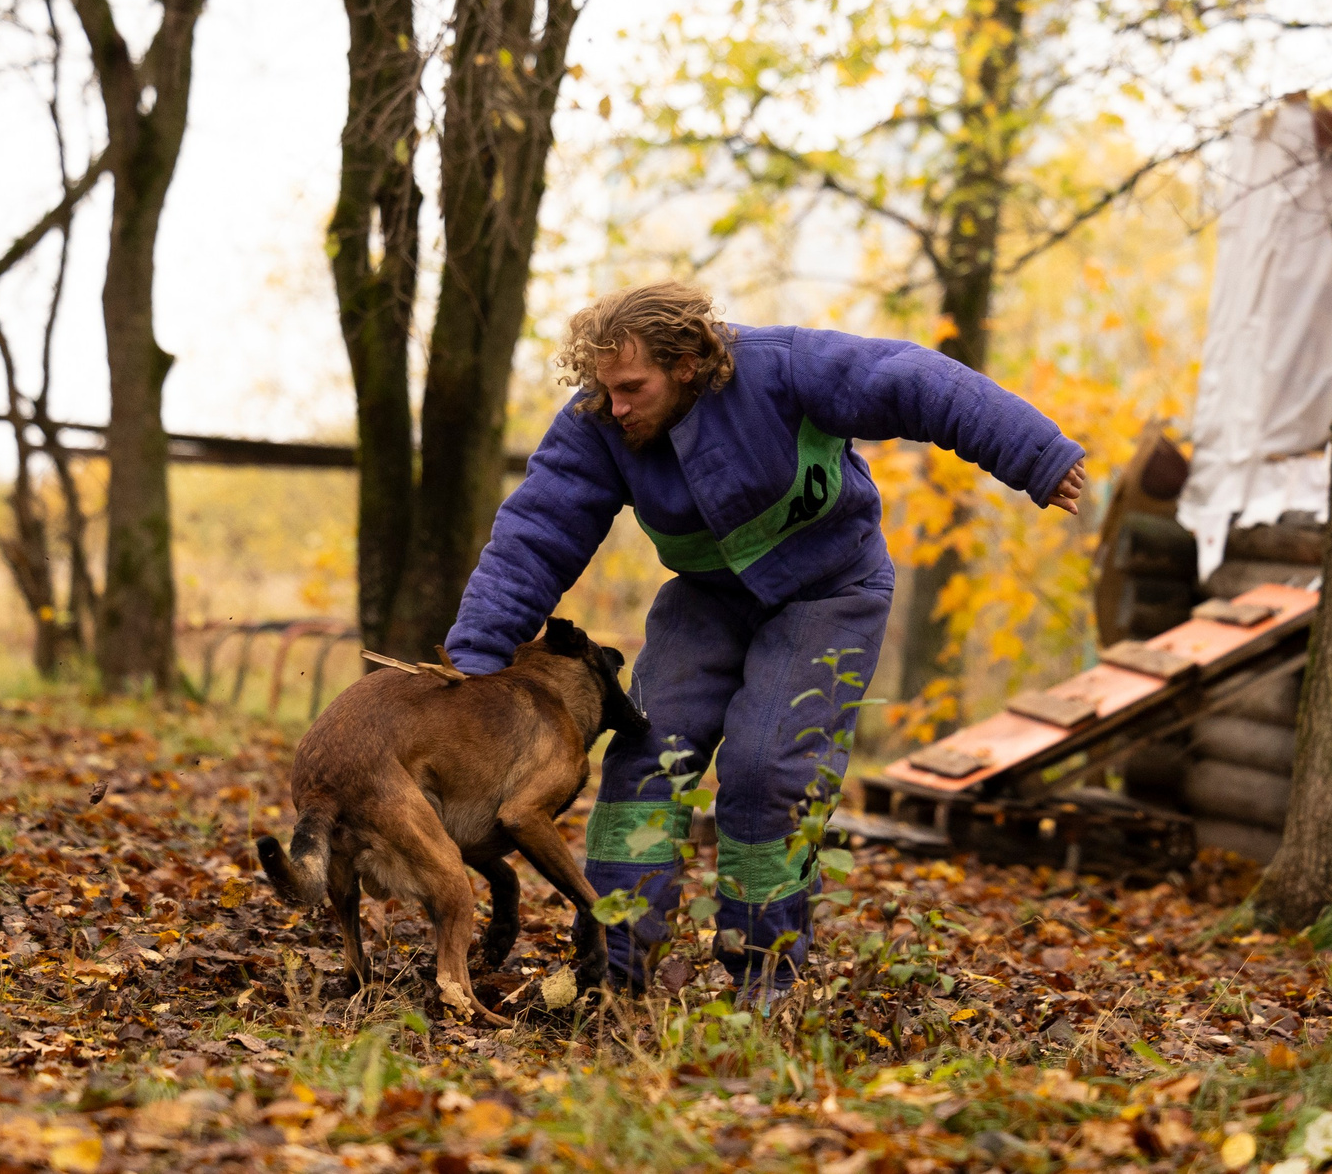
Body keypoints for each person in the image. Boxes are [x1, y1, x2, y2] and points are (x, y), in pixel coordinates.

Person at [442, 283, 1087, 995]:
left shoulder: (783, 367)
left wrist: (1038, 454)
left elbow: (916, 380)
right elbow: (536, 533)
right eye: (603, 388)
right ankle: (611, 970)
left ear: (686, 361)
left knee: (764, 767)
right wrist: (474, 660)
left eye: (631, 386)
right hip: (709, 597)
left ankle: (765, 978)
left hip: (830, 591)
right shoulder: (603, 420)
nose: (615, 405)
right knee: (648, 762)